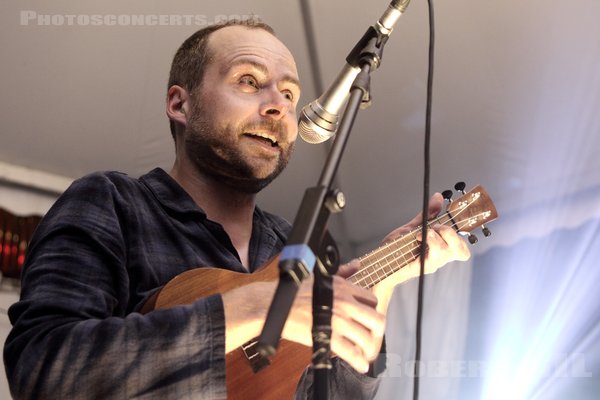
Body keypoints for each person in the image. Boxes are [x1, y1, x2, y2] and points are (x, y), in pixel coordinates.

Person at [3, 19, 470, 399]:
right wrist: (254, 307)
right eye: (249, 81)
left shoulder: (303, 246)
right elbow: (43, 371)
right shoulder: (110, 202)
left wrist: (383, 280)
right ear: (179, 104)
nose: (278, 107)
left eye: (289, 94)